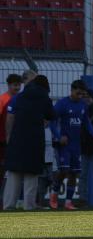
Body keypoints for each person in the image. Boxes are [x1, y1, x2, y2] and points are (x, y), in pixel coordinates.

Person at [2, 75, 54, 211]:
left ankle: (8, 205)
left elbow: (10, 116)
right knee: (31, 175)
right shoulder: (44, 97)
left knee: (14, 173)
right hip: (35, 140)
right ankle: (29, 205)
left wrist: (9, 135)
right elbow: (51, 115)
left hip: (17, 139)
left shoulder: (18, 97)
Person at [50, 80, 93, 210]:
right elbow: (52, 122)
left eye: (82, 94)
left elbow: (86, 121)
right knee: (64, 170)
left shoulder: (83, 105)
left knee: (74, 173)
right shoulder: (62, 104)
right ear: (72, 90)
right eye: (78, 93)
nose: (80, 96)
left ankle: (68, 202)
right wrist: (59, 137)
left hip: (76, 144)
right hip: (63, 145)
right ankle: (54, 193)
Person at [0, 74, 22, 196]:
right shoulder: (2, 99)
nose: (17, 87)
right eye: (15, 85)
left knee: (14, 170)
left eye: (19, 85)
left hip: (16, 140)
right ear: (9, 85)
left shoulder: (20, 99)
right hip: (3, 140)